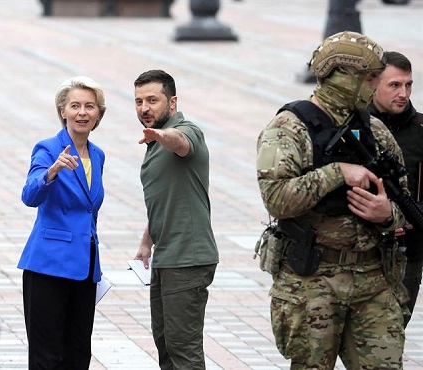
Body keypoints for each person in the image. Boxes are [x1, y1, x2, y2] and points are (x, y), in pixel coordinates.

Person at [256, 31, 409, 369]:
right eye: (370, 79)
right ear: (343, 77)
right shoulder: (288, 129)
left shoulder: (376, 131)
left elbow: (405, 204)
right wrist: (337, 172)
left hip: (373, 278)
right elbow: (277, 199)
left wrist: (388, 215)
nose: (375, 87)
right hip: (312, 281)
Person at [17, 76, 107, 370]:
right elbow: (30, 195)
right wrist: (51, 172)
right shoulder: (48, 148)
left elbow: (88, 211)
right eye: (75, 106)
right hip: (48, 266)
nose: (82, 112)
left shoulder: (97, 154)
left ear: (98, 114)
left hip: (85, 268)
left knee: (78, 354)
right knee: (47, 356)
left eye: (89, 106)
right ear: (62, 111)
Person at [132, 69, 219, 370]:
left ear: (172, 102)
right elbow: (166, 197)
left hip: (188, 259)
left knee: (183, 349)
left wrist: (162, 136)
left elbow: (181, 142)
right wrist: (147, 241)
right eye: (139, 101)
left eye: (152, 100)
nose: (144, 108)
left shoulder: (185, 130)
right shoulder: (153, 143)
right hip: (167, 257)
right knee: (167, 345)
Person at [369, 51, 423, 327]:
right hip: (359, 253)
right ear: (373, 84)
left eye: (408, 84)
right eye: (394, 85)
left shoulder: (420, 130)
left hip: (407, 255)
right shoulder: (354, 128)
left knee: (389, 342)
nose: (404, 93)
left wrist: (407, 218)